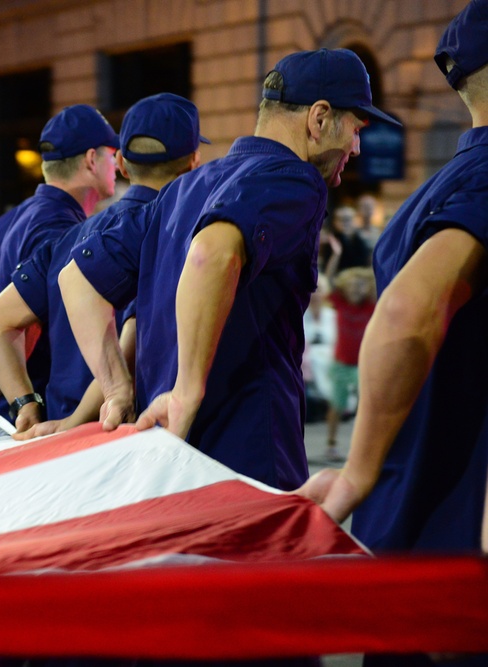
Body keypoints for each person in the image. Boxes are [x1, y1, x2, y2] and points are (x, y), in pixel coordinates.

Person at [60, 48, 393, 491]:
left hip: (166, 457)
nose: (355, 146)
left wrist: (118, 389)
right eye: (355, 128)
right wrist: (187, 390)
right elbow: (211, 254)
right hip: (246, 463)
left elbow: (77, 279)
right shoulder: (294, 179)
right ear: (318, 118)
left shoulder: (184, 188)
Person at [298, 0, 488, 557]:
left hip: (406, 516)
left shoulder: (434, 190)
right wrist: (355, 472)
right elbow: (408, 310)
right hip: (455, 533)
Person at [0, 93, 207, 435]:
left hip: (60, 436)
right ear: (193, 162)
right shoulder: (178, 238)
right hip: (125, 434)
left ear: (124, 165)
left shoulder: (70, 238)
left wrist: (26, 405)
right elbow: (132, 341)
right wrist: (76, 422)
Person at [0, 104, 119, 414]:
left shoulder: (1, 223)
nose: (116, 165)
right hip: (22, 411)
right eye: (112, 156)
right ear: (92, 160)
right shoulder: (63, 229)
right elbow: (28, 311)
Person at [323, 266, 376, 461]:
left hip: (363, 364)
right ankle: (331, 444)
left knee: (368, 405)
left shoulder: (370, 305)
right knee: (337, 405)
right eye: (352, 285)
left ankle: (366, 448)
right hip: (341, 364)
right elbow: (329, 279)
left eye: (360, 286)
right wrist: (336, 259)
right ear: (344, 288)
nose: (356, 289)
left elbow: (375, 278)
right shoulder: (340, 302)